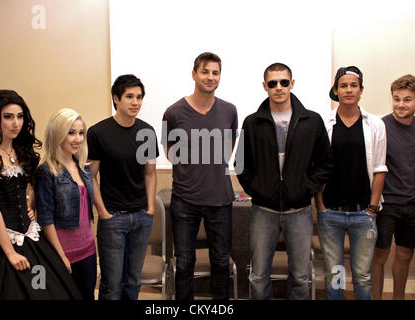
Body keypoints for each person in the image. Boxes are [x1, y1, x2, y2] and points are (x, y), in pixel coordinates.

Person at [0, 90, 81, 299]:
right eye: (8, 117)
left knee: (45, 289)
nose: (15, 123)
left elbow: (26, 190)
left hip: (31, 236)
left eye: (19, 116)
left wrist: (28, 205)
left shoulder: (20, 150)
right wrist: (10, 252)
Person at [235, 62, 333, 300]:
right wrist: (259, 190)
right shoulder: (252, 122)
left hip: (299, 210)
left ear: (292, 84)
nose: (278, 87)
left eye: (284, 82)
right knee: (258, 276)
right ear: (264, 86)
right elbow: (241, 165)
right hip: (263, 210)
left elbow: (325, 164)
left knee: (300, 277)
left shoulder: (311, 121)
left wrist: (305, 189)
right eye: (272, 83)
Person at [162, 52, 238, 300]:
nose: (210, 77)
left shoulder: (229, 110)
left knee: (220, 262)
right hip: (184, 201)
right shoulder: (173, 113)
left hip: (220, 200)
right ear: (194, 74)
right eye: (205, 71)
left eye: (215, 72)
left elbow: (229, 148)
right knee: (184, 263)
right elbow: (170, 153)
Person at [315, 66, 387, 300]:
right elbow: (316, 169)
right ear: (336, 90)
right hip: (331, 213)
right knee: (334, 273)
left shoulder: (375, 125)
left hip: (363, 214)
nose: (348, 90)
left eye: (353, 85)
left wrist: (373, 209)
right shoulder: (324, 125)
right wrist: (321, 206)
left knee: (362, 276)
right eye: (343, 85)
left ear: (361, 90)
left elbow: (379, 168)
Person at [87, 74, 158, 300]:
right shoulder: (98, 132)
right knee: (112, 285)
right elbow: (91, 176)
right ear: (116, 99)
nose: (135, 102)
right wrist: (102, 211)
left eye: (139, 97)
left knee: (133, 281)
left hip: (141, 217)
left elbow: (150, 172)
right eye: (129, 96)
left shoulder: (147, 132)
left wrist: (150, 209)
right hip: (113, 218)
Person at [35, 108, 97, 300]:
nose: (77, 139)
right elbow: (46, 219)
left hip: (88, 250)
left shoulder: (83, 167)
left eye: (80, 133)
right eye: (71, 132)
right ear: (58, 133)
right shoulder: (47, 171)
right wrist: (60, 256)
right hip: (63, 253)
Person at [371, 74, 415, 300]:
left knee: (405, 255)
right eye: (396, 99)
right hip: (386, 203)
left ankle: (399, 297)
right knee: (380, 255)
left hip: (412, 205)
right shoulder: (381, 126)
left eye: (407, 100)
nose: (400, 104)